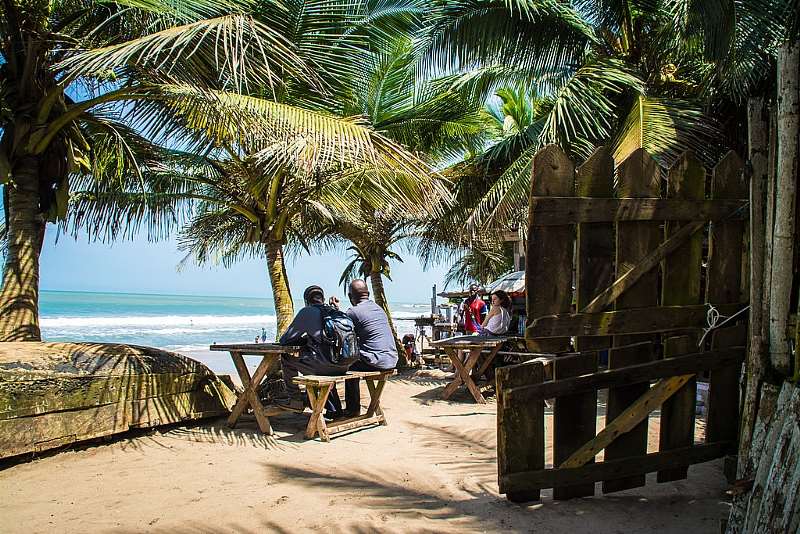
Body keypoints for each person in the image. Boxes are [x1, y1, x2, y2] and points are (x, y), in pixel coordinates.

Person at [275, 285, 350, 413]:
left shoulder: (307, 312)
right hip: (344, 365)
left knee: (287, 358)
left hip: (325, 366)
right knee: (321, 359)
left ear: (306, 301)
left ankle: (295, 400)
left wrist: (305, 338)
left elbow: (285, 340)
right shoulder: (336, 312)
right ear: (322, 298)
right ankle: (330, 407)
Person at [343, 279, 398, 417]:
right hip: (391, 359)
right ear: (367, 293)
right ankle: (359, 408)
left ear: (350, 297)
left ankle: (352, 409)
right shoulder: (379, 309)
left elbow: (342, 331)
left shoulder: (353, 312)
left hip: (376, 361)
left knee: (346, 365)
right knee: (354, 360)